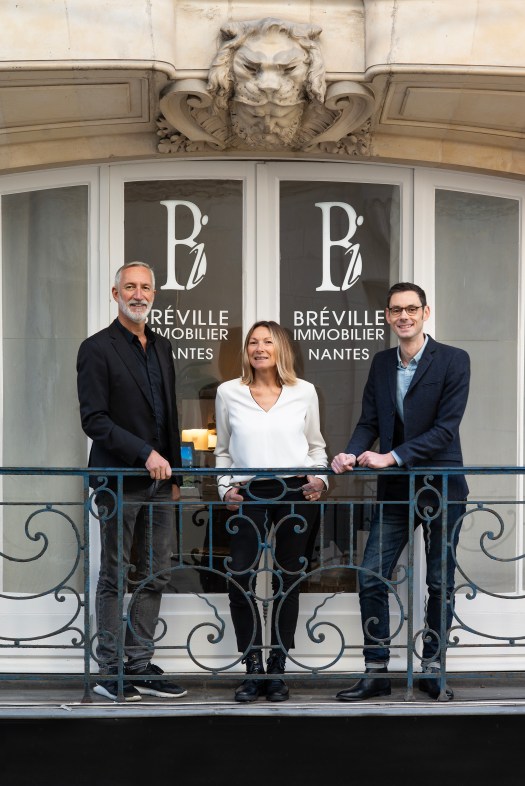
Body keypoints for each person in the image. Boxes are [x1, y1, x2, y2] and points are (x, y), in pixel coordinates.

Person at [331, 282, 470, 702]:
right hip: (395, 490)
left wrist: (390, 457)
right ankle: (376, 672)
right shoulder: (381, 363)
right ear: (388, 316)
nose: (403, 316)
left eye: (411, 308)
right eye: (396, 310)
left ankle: (432, 670)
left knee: (440, 583)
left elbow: (446, 430)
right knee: (371, 575)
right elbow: (369, 422)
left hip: (441, 486)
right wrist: (351, 453)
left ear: (426, 312)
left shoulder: (454, 360)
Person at [77, 261, 186, 702]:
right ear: (115, 293)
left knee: (156, 573)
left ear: (153, 294)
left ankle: (139, 665)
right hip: (120, 479)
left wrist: (175, 472)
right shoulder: (96, 348)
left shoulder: (162, 346)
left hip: (162, 482)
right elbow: (94, 420)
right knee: (115, 574)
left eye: (145, 288)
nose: (138, 294)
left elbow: (169, 415)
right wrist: (144, 454)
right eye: (129, 287)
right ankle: (109, 670)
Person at [214, 321, 328, 702]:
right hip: (248, 492)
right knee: (240, 576)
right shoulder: (228, 392)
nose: (259, 348)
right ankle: (252, 667)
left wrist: (321, 480)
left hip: (295, 489)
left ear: (281, 349)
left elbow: (316, 447)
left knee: (288, 577)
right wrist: (225, 487)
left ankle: (277, 667)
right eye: (252, 342)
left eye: (267, 342)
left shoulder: (304, 392)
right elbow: (222, 451)